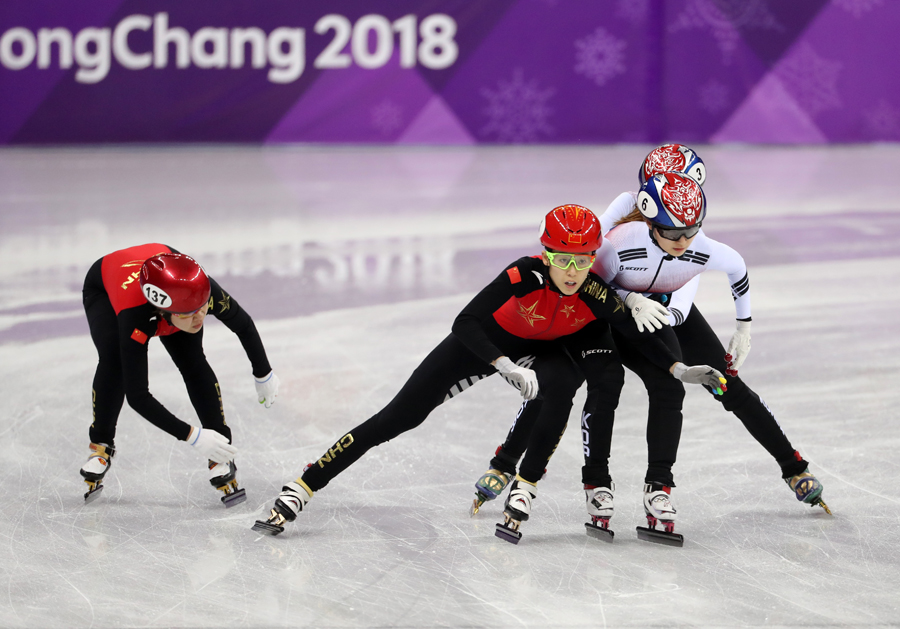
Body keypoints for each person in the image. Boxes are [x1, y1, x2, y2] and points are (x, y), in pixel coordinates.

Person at [252, 205, 725, 543]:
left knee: (558, 387)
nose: (573, 271)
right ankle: (304, 485)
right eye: (563, 259)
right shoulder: (524, 275)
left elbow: (636, 336)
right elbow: (465, 322)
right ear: (545, 254)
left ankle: (523, 484)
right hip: (485, 346)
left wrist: (677, 368)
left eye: (583, 260)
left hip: (537, 353)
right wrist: (500, 364)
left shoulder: (595, 293)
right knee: (398, 418)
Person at [475, 146, 830, 546]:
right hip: (611, 306)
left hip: (663, 310)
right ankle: (509, 464)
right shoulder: (626, 211)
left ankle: (792, 466)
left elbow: (682, 293)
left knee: (724, 383)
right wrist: (621, 299)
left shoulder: (690, 239)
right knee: (573, 381)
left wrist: (733, 329)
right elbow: (588, 257)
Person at [80, 243, 280, 507]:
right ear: (162, 311)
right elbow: (138, 396)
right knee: (114, 361)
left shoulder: (200, 291)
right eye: (189, 314)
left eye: (202, 309)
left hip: (173, 285)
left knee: (193, 362)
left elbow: (243, 324)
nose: (199, 318)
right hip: (104, 287)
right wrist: (193, 436)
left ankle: (221, 452)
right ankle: (101, 445)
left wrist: (263, 374)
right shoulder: (136, 317)